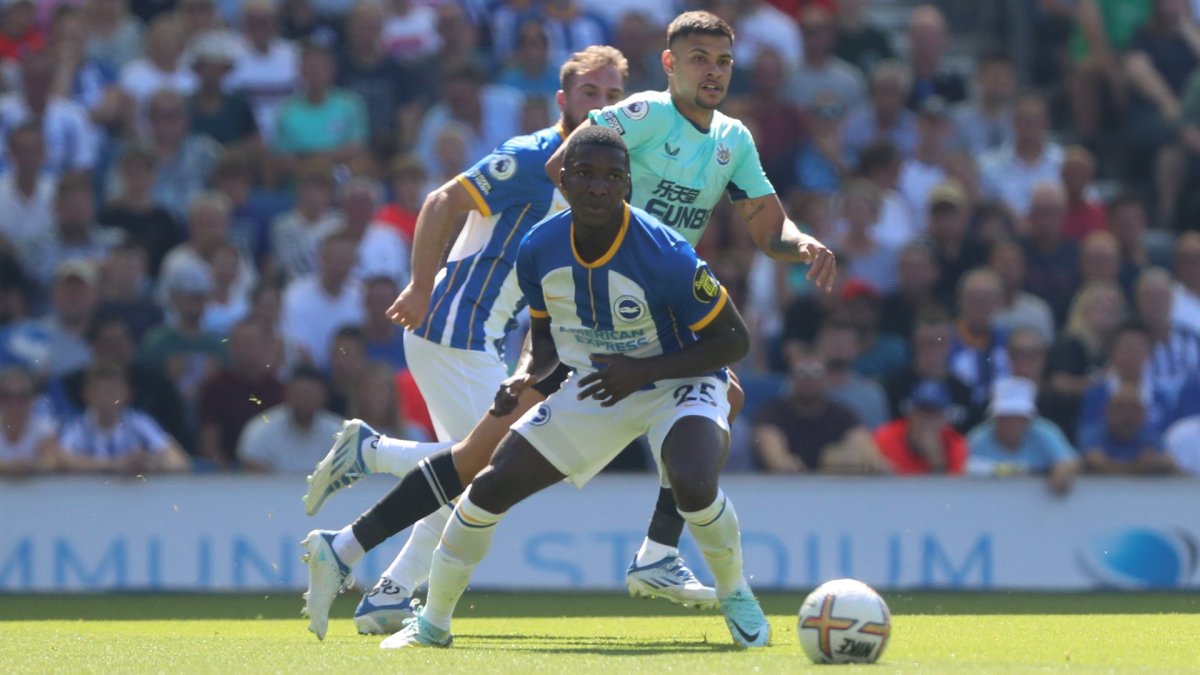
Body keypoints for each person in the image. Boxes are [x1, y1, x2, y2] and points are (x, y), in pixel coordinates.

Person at [310, 126, 768, 650]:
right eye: (586, 175)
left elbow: (734, 340)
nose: (599, 186)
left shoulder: (662, 251)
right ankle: (433, 623)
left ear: (627, 186)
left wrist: (642, 372)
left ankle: (735, 594)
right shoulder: (539, 247)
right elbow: (548, 340)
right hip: (602, 386)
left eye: (612, 176)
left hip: (680, 381)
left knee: (691, 479)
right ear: (565, 180)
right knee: (487, 486)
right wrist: (525, 377)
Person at [299, 47, 640, 634]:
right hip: (454, 327)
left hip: (488, 339)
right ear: (564, 99)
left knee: (465, 477)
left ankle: (383, 591)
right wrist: (420, 285)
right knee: (500, 461)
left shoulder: (596, 180)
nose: (601, 106)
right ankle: (370, 457)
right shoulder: (532, 157)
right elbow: (440, 201)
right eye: (591, 93)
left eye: (614, 98)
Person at [59, 362, 190, 474]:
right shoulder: (76, 425)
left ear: (127, 393)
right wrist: (117, 464)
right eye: (99, 390)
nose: (106, 396)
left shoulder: (140, 422)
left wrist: (149, 464)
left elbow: (179, 462)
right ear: (86, 394)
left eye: (113, 390)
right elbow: (62, 461)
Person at [965, 376, 1081, 495]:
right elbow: (958, 471)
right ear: (995, 418)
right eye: (1006, 416)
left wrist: (1062, 471)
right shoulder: (977, 439)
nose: (1012, 423)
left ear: (1028, 419)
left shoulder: (1046, 434)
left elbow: (1070, 462)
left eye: (1018, 417)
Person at [237, 366, 343, 473]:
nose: (305, 400)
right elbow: (252, 481)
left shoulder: (339, 432)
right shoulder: (261, 429)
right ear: (286, 393)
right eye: (299, 394)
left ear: (324, 396)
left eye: (310, 394)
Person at [1077, 384, 1178, 475]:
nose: (1127, 415)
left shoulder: (1150, 436)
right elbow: (1096, 463)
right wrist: (1138, 468)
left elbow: (1170, 465)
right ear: (1107, 411)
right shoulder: (1092, 433)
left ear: (1144, 413)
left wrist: (1161, 463)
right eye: (1120, 408)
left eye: (1134, 409)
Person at [874, 380, 967, 474]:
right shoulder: (885, 438)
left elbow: (952, 487)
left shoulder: (955, 444)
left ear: (944, 418)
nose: (927, 420)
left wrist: (937, 461)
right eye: (922, 412)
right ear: (911, 413)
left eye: (934, 413)